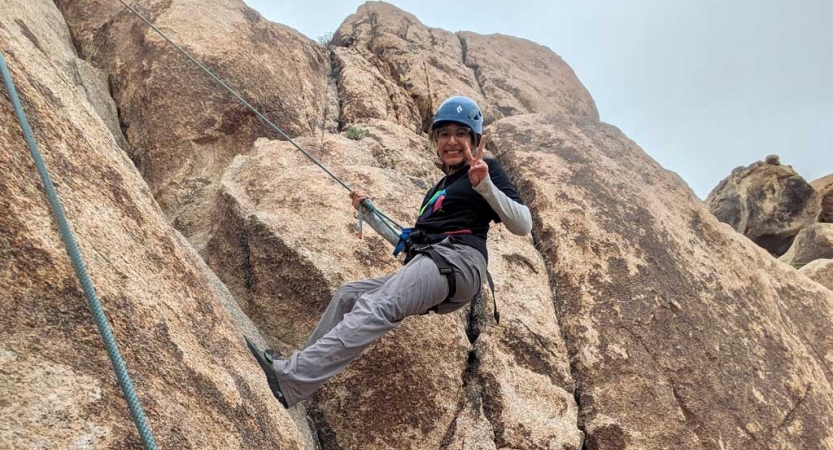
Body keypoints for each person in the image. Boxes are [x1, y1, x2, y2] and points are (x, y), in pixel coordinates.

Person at [246, 96, 532, 408]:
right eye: (444, 134)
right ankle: (296, 377)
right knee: (349, 295)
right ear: (436, 141)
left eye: (461, 133)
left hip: (459, 260)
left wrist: (486, 186)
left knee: (376, 306)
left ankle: (290, 377)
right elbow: (409, 246)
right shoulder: (436, 191)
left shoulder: (485, 169)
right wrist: (369, 214)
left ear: (474, 139)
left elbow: (523, 224)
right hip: (434, 261)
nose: (452, 141)